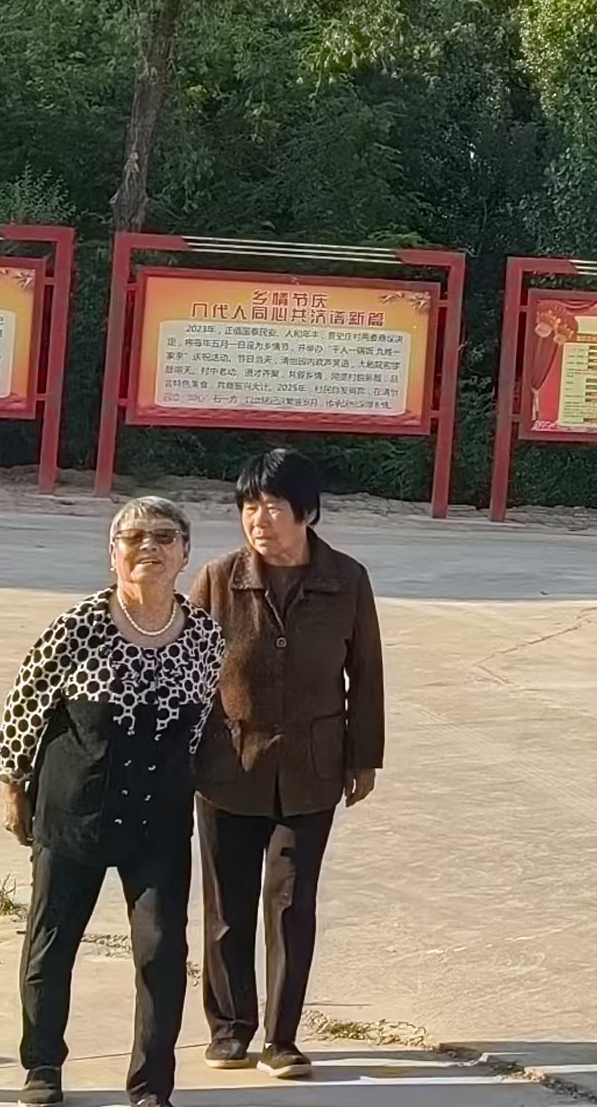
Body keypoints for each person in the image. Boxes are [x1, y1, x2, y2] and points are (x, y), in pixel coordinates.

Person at [0, 496, 225, 1107]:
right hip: (75, 811)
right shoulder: (78, 626)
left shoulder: (205, 636)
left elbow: (199, 722)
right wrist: (13, 784)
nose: (149, 547)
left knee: (162, 949)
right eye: (134, 537)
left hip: (159, 818)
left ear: (185, 553)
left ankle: (151, 1084)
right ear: (113, 553)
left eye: (164, 537)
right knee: (52, 943)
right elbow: (25, 705)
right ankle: (42, 1066)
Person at [190, 448, 387, 1079]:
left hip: (311, 766)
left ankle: (281, 1037)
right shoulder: (219, 579)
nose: (259, 520)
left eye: (273, 507)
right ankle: (229, 1028)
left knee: (291, 903)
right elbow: (187, 674)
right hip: (228, 766)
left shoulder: (347, 580)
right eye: (249, 507)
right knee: (227, 906)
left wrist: (364, 757)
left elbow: (367, 674)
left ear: (307, 512)